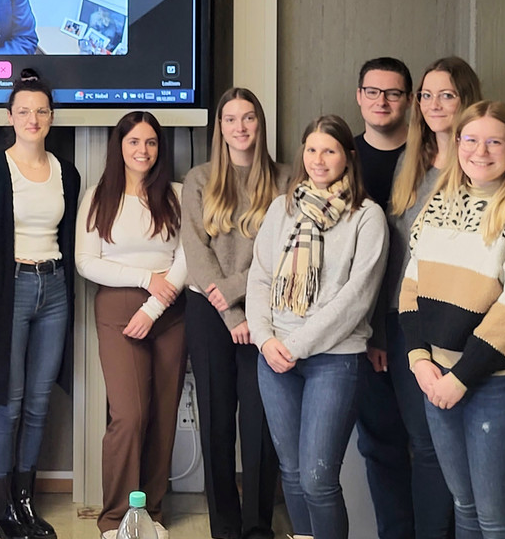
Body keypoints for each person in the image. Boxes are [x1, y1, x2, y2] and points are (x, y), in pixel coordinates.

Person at [400, 101, 505, 539]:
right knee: (465, 511)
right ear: (457, 144)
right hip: (438, 381)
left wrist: (461, 377)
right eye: (470, 140)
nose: (480, 151)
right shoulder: (438, 204)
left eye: (494, 141)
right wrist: (419, 359)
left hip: (499, 386)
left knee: (496, 521)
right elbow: (411, 284)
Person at [246, 114, 388, 539]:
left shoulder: (367, 217)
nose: (319, 160)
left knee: (317, 479)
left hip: (334, 360)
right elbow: (260, 277)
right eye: (311, 150)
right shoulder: (281, 207)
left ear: (348, 156)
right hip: (274, 357)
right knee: (289, 473)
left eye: (329, 150)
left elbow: (357, 297)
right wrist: (265, 338)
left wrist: (297, 344)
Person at [364, 57, 481, 539]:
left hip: (457, 327)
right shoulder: (410, 162)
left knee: (436, 444)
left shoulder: (479, 161)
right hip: (401, 322)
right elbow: (392, 255)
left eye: (447, 95)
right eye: (427, 96)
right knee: (417, 440)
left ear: (467, 100)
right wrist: (377, 328)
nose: (434, 105)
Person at [0, 69, 80, 539]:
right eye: (24, 111)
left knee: (37, 403)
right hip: (10, 290)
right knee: (7, 404)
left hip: (53, 289)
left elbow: (68, 235)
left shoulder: (65, 171)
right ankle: (3, 508)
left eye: (41, 111)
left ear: (51, 118)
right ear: (11, 117)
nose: (33, 119)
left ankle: (27, 502)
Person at [75, 111, 187, 539]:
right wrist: (145, 281)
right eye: (134, 141)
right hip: (118, 307)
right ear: (118, 146)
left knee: (163, 413)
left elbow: (188, 257)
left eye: (151, 142)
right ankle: (115, 519)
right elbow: (87, 262)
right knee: (129, 414)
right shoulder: (98, 196)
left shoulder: (177, 194)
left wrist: (157, 300)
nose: (143, 150)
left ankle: (152, 515)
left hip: (171, 310)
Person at [180, 87, 283, 539]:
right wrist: (229, 313)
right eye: (230, 119)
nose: (239, 127)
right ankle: (223, 526)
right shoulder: (199, 179)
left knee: (261, 423)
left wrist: (240, 298)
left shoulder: (286, 180)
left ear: (260, 124)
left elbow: (283, 253)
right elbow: (196, 252)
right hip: (209, 313)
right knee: (217, 422)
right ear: (218, 127)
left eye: (248, 118)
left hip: (268, 311)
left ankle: (258, 526)